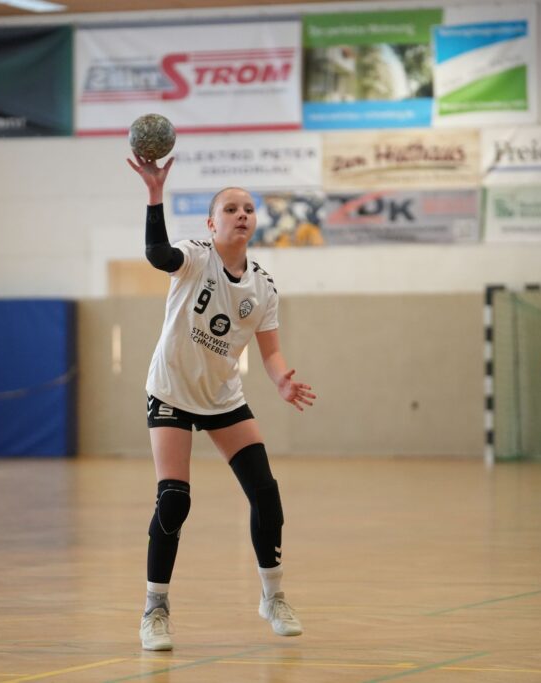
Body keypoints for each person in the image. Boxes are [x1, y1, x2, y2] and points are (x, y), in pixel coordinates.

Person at [127, 151, 316, 651]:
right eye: (231, 209)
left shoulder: (263, 288)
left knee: (266, 494)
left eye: (249, 209)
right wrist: (154, 194)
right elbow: (156, 254)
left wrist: (281, 382)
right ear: (212, 223)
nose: (242, 214)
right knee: (174, 499)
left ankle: (273, 597)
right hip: (171, 390)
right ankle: (155, 609)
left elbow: (271, 353)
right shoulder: (194, 255)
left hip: (222, 397)